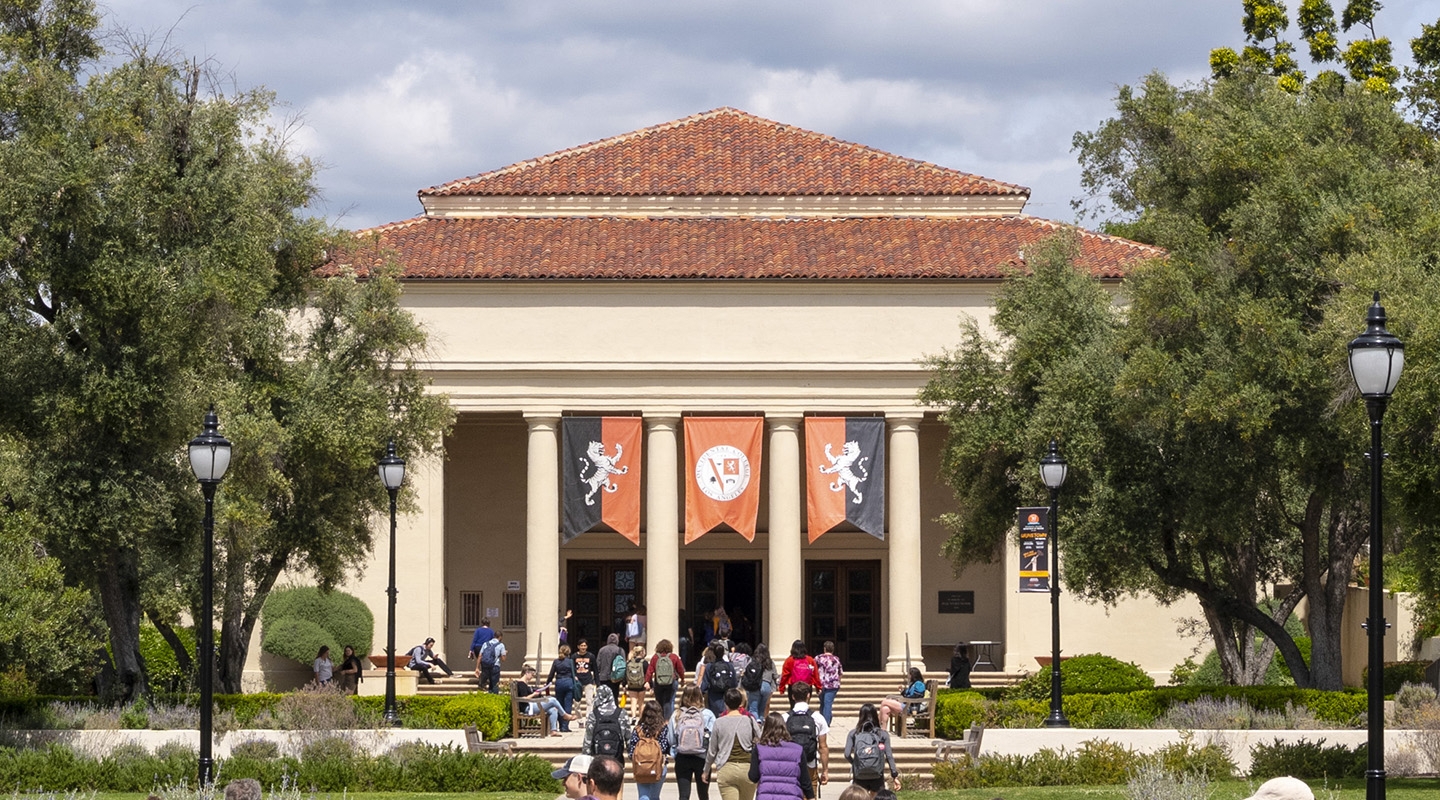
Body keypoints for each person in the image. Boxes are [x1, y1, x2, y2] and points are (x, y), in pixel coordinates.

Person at [705, 688, 760, 800]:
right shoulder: (750, 720)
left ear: (725, 703)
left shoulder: (719, 722)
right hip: (747, 769)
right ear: (740, 702)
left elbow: (712, 751)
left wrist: (706, 770)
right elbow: (761, 741)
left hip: (726, 768)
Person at [748, 712, 813, 800]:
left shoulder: (759, 749)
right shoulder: (798, 749)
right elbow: (805, 781)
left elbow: (753, 776)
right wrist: (811, 797)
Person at [670, 685, 716, 800]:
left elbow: (671, 739)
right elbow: (713, 738)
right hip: (702, 758)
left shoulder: (677, 714)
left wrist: (676, 751)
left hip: (682, 757)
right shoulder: (708, 714)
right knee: (703, 794)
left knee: (684, 795)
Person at [844, 703, 899, 793]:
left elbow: (847, 754)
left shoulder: (854, 733)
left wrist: (855, 763)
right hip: (877, 773)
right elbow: (889, 756)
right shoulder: (882, 734)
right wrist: (894, 775)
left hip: (859, 774)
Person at [785, 682, 829, 793]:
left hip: (790, 766)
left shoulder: (784, 718)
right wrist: (825, 771)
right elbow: (823, 747)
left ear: (793, 696)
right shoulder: (817, 718)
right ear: (808, 695)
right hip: (810, 764)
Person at [516, 664, 577, 736]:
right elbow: (524, 698)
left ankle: (553, 730)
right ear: (527, 673)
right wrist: (534, 694)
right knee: (553, 700)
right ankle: (564, 715)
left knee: (553, 709)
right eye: (532, 675)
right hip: (528, 708)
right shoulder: (521, 684)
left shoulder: (524, 684)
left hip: (531, 705)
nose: (532, 677)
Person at [629, 699, 672, 800]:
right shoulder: (662, 728)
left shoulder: (638, 729)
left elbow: (632, 751)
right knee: (654, 797)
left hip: (641, 766)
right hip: (659, 766)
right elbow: (665, 747)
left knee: (643, 796)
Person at [582, 685, 633, 764]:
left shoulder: (594, 714)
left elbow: (588, 738)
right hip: (617, 758)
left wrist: (585, 757)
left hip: (598, 760)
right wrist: (631, 754)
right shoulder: (621, 713)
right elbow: (628, 737)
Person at [648, 638, 686, 718]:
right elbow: (680, 669)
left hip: (658, 682)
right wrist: (682, 679)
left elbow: (650, 670)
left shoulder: (655, 657)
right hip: (671, 682)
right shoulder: (674, 657)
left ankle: (659, 719)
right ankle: (668, 721)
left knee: (659, 702)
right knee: (669, 701)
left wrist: (647, 681)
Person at [701, 641, 736, 717]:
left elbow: (705, 683)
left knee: (714, 718)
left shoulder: (709, 666)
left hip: (713, 696)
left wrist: (702, 693)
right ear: (723, 653)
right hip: (727, 696)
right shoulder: (730, 666)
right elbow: (734, 683)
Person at [548, 644, 578, 731]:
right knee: (567, 705)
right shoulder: (570, 662)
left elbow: (551, 674)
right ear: (568, 652)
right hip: (569, 683)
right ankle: (565, 726)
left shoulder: (556, 662)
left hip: (559, 683)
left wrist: (548, 683)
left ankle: (560, 724)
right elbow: (574, 673)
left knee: (559, 704)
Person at [814, 641, 842, 725]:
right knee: (827, 703)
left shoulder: (818, 658)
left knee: (824, 703)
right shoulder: (836, 659)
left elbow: (813, 670)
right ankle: (826, 719)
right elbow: (840, 672)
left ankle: (825, 722)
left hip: (821, 684)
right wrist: (838, 681)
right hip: (833, 685)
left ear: (824, 649)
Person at [747, 643, 778, 718]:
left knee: (753, 709)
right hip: (767, 685)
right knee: (762, 709)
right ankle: (761, 724)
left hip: (755, 685)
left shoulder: (752, 661)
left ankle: (756, 725)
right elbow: (775, 675)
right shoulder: (770, 662)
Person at [596, 633, 625, 702]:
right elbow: (623, 665)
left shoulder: (602, 650)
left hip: (603, 677)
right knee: (615, 696)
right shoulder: (620, 650)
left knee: (604, 697)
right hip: (615, 677)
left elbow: (598, 664)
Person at [625, 644, 650, 717]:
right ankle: (641, 717)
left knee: (633, 701)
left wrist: (624, 684)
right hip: (641, 684)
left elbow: (626, 674)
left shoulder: (629, 662)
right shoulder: (644, 663)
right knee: (641, 703)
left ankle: (633, 716)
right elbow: (647, 674)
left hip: (631, 684)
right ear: (641, 652)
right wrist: (649, 684)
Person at [573, 638, 597, 708]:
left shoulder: (591, 656)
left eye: (584, 645)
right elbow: (572, 668)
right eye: (581, 645)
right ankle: (579, 717)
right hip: (578, 682)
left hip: (588, 681)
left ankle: (588, 717)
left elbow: (595, 669)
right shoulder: (574, 656)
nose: (583, 647)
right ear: (578, 647)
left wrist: (597, 682)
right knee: (577, 702)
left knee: (589, 701)